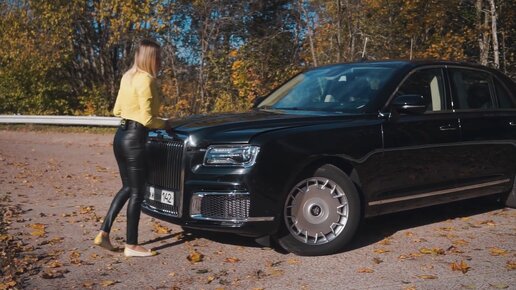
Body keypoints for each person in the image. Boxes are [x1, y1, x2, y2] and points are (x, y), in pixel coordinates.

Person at [94, 39, 170, 257]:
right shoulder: (146, 80)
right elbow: (147, 119)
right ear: (151, 58)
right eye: (158, 57)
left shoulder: (127, 76)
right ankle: (132, 245)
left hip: (120, 136)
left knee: (127, 187)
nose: (161, 61)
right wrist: (166, 123)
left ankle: (104, 233)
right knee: (138, 191)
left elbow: (117, 110)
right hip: (136, 138)